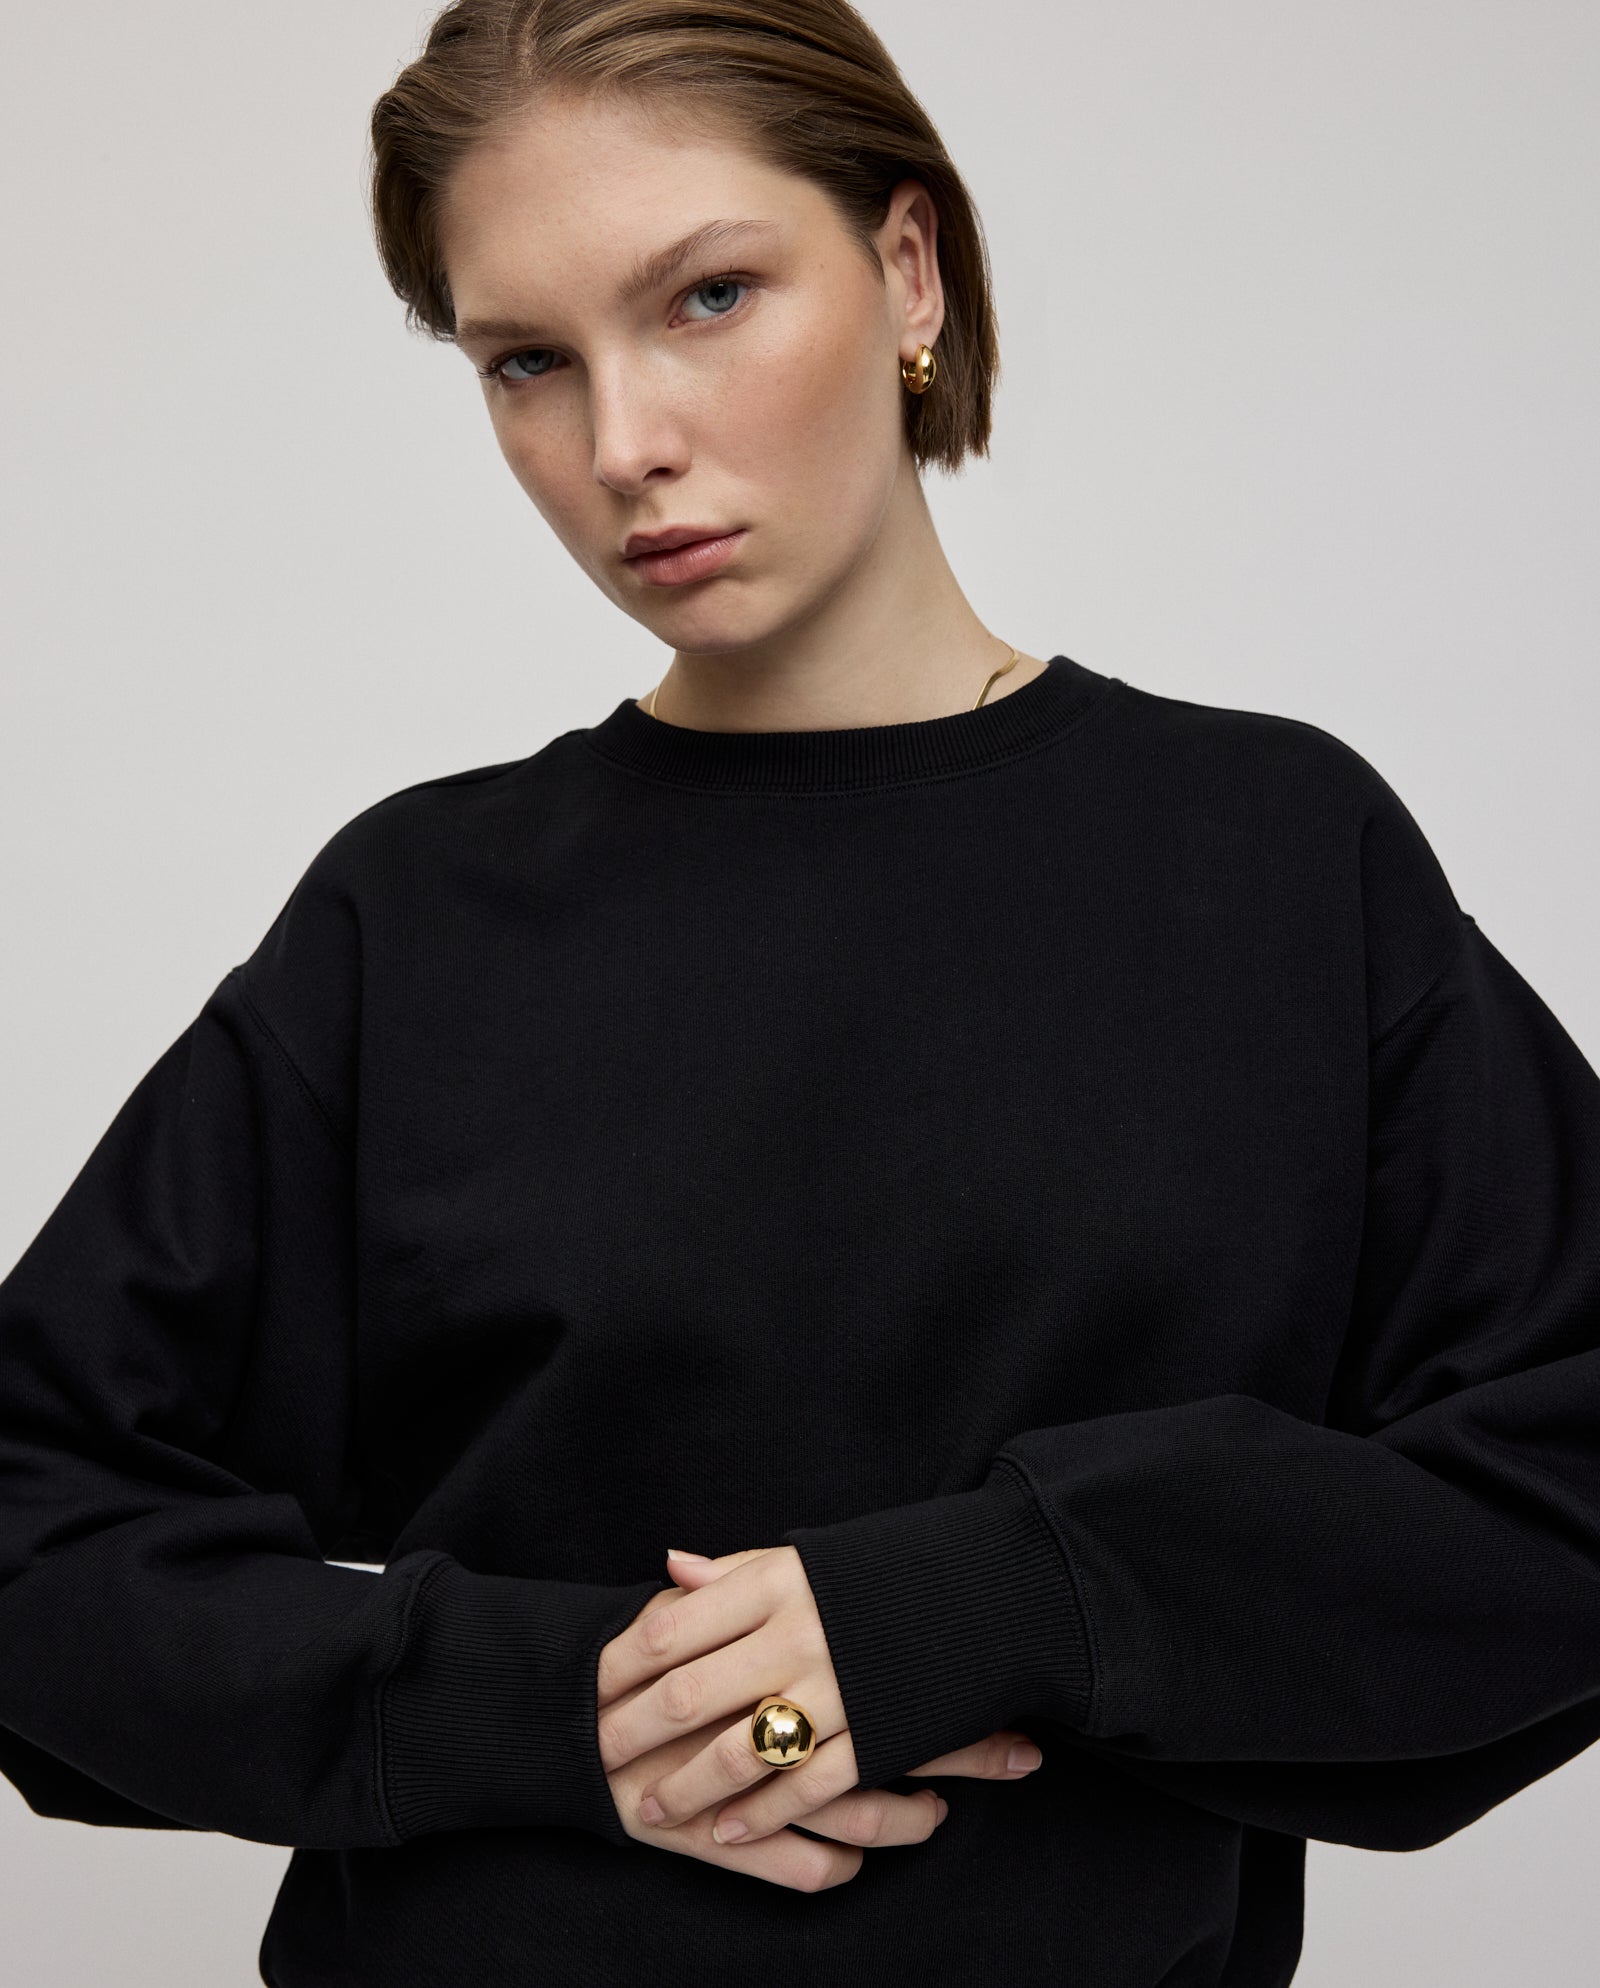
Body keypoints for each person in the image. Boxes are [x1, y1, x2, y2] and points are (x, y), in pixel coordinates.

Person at [3, 1, 1598, 1983]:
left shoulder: (1268, 860)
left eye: (705, 297)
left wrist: (1000, 1596)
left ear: (905, 269)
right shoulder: (420, 916)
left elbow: (1562, 1487)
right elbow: (30, 1517)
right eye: (524, 361)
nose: (618, 445)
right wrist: (567, 1714)